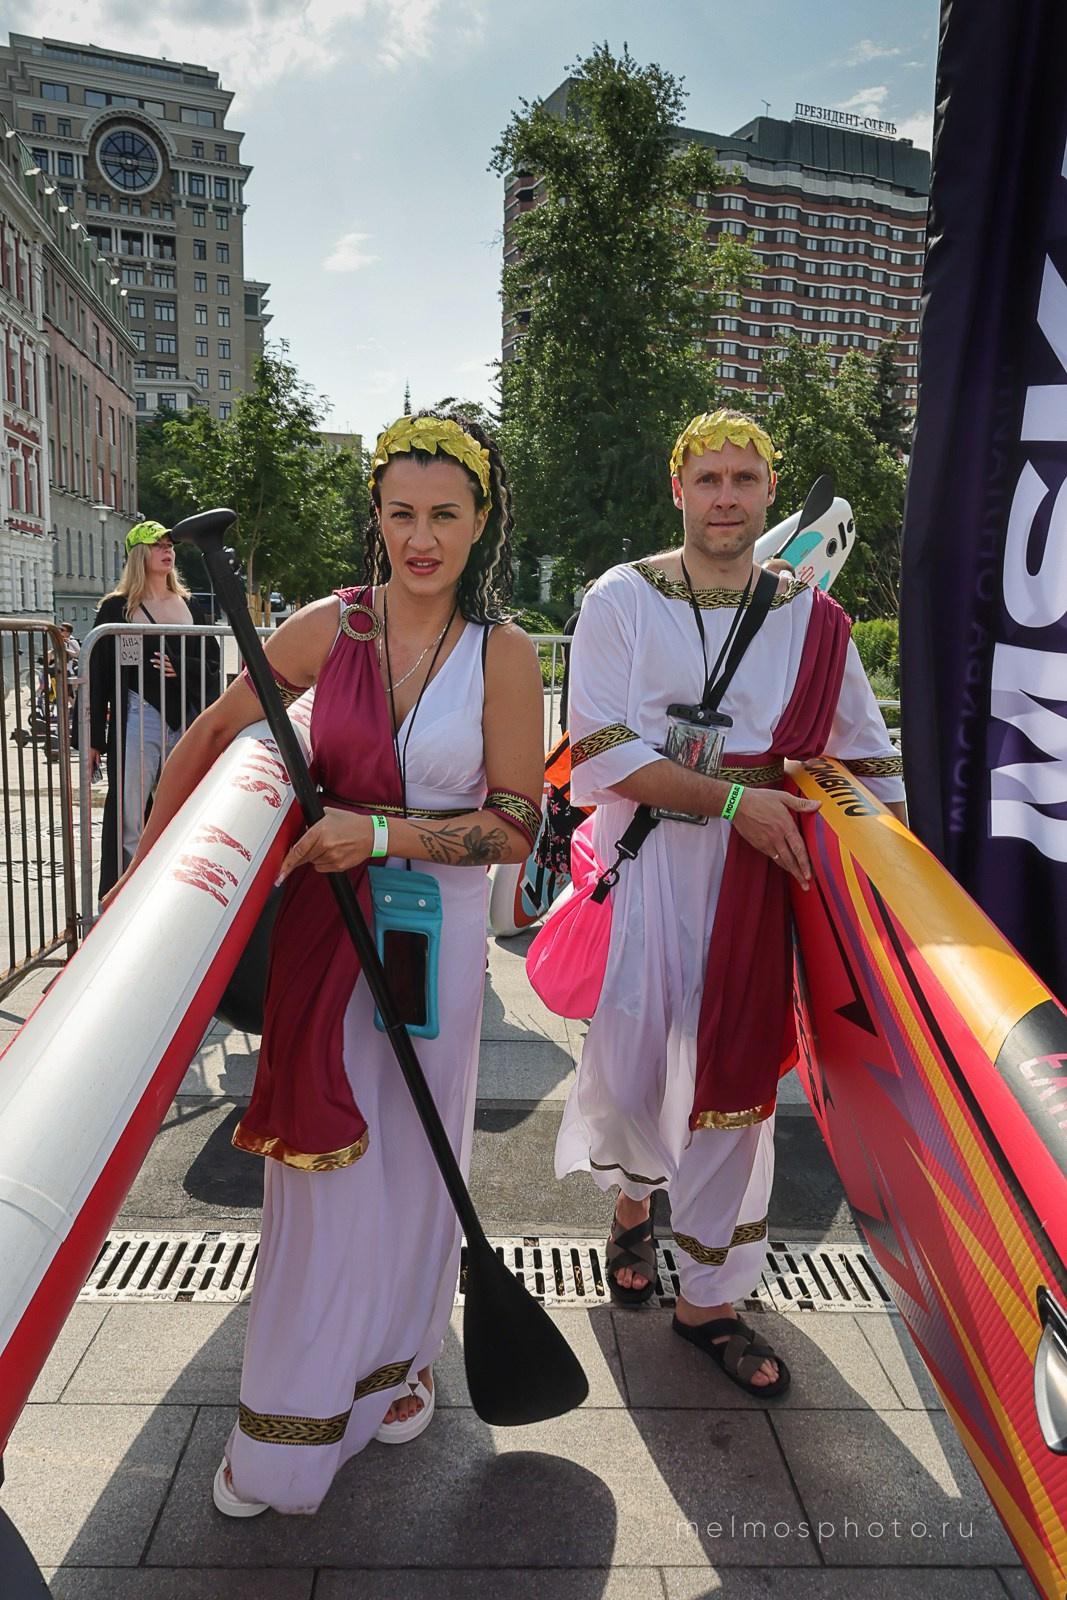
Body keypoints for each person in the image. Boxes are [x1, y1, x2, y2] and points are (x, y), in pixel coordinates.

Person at [104, 412, 543, 1514]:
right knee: (323, 1171)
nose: (421, 537)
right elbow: (210, 732)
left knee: (414, 1158)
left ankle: (397, 1367)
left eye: (445, 513)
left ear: (480, 520)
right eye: (401, 513)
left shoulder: (505, 653)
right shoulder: (330, 626)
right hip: (321, 938)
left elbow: (512, 825)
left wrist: (382, 833)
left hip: (430, 943)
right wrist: (142, 883)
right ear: (377, 519)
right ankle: (289, 1429)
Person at [555, 409, 906, 1394]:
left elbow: (864, 758)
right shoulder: (622, 597)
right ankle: (631, 1205)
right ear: (677, 490)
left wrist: (908, 879)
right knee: (632, 1073)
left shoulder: (810, 615)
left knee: (736, 1089)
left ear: (764, 492)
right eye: (705, 479)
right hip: (650, 855)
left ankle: (708, 1298)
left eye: (743, 480)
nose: (723, 497)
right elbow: (598, 750)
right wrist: (733, 802)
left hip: (758, 876)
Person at [89, 521, 220, 900]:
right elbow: (98, 676)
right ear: (138, 554)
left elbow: (212, 661)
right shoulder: (117, 607)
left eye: (170, 545)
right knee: (131, 812)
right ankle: (127, 893)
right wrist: (95, 738)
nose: (168, 550)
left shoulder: (190, 603)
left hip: (187, 719)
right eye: (157, 545)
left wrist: (181, 665)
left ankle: (180, 887)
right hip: (137, 715)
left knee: (188, 805)